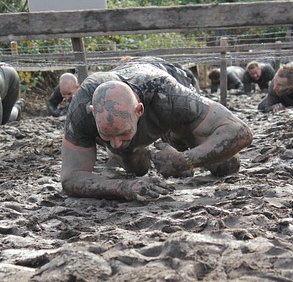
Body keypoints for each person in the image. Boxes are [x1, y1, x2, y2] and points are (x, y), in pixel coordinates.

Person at [61, 56, 253, 201]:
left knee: (226, 166)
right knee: (136, 166)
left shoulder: (169, 94)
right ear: (93, 112)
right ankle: (146, 148)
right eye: (107, 136)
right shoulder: (81, 107)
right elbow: (70, 178)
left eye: (122, 133)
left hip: (165, 85)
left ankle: (175, 135)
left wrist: (185, 160)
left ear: (139, 110)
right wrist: (123, 187)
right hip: (135, 97)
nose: (116, 143)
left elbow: (239, 131)